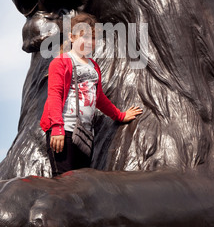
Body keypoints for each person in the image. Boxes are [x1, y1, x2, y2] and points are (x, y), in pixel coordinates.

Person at [40, 13, 143, 176]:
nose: (89, 42)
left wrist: (120, 116)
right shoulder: (61, 62)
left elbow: (99, 97)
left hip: (85, 135)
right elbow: (54, 95)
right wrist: (57, 127)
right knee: (64, 185)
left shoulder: (93, 65)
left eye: (93, 38)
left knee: (82, 185)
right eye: (85, 37)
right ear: (72, 37)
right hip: (64, 132)